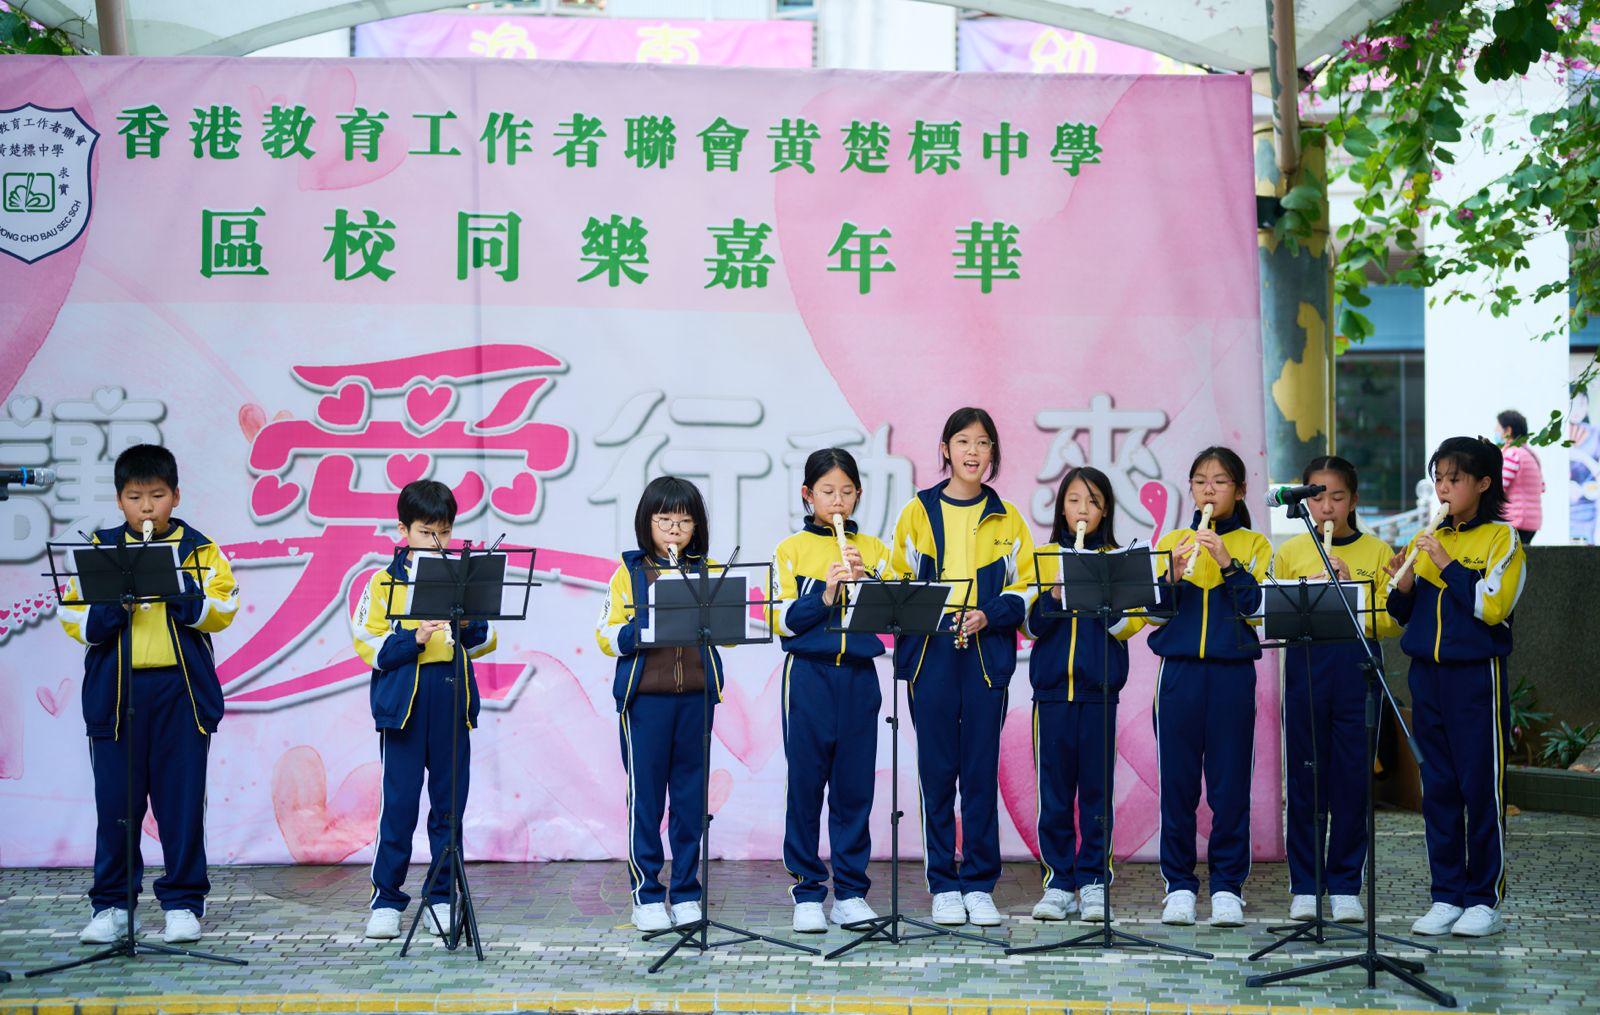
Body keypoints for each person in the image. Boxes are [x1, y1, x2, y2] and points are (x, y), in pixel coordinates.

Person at [59, 444, 240, 945]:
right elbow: (74, 618)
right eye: (135, 497)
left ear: (175, 496)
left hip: (180, 693)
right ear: (119, 500)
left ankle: (183, 903)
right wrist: (112, 608)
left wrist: (181, 594)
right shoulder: (100, 549)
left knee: (181, 804)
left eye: (157, 496)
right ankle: (114, 906)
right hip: (116, 694)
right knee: (116, 806)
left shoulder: (200, 549)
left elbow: (223, 609)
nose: (146, 507)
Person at [889, 407, 1036, 928]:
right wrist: (933, 614)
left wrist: (989, 614)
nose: (973, 452)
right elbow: (896, 583)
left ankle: (978, 883)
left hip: (986, 659)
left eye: (983, 443)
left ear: (993, 453)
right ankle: (943, 885)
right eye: (963, 441)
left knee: (978, 773)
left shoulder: (1007, 517)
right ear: (945, 450)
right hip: (931, 657)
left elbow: (1028, 587)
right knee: (936, 773)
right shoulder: (917, 512)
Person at [1386, 437, 1526, 938]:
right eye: (1439, 479)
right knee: (1438, 790)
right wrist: (1401, 584)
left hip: (1475, 678)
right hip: (1426, 676)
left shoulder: (1502, 538)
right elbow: (1401, 614)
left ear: (1483, 483)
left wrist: (1446, 563)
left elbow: (1492, 606)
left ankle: (1484, 900)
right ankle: (1446, 895)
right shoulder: (1429, 537)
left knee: (1480, 788)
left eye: (1455, 479)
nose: (1443, 489)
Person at [353, 479, 496, 940]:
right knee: (398, 806)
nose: (436, 542)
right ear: (403, 530)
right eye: (425, 532)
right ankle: (386, 901)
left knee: (449, 808)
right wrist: (412, 638)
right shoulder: (382, 582)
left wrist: (470, 622)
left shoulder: (462, 576)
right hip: (404, 707)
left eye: (444, 532)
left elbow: (486, 640)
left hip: (451, 698)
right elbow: (367, 645)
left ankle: (441, 898)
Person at [770, 448, 896, 933]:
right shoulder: (790, 549)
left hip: (860, 677)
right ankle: (807, 892)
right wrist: (825, 593)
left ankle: (850, 893)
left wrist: (867, 582)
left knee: (854, 789)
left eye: (846, 492)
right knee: (805, 786)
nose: (837, 501)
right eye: (827, 492)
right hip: (808, 675)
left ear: (859, 494)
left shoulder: (875, 550)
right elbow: (781, 620)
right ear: (808, 495)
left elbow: (897, 613)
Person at [1269, 456, 1399, 925]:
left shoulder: (1378, 551)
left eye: (1338, 497)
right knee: (1305, 780)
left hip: (1357, 671)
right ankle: (1305, 885)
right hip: (1306, 669)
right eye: (1317, 497)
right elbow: (1275, 616)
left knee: (1351, 781)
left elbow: (1390, 620)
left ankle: (1345, 885)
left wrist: (1350, 590)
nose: (1327, 508)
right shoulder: (1290, 553)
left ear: (1354, 501)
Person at [1146, 446, 1272, 929]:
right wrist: (1172, 575)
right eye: (1200, 481)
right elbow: (1152, 615)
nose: (1208, 490)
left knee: (1229, 786)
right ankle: (1179, 886)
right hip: (1178, 675)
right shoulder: (1173, 540)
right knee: (1177, 787)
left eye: (1220, 482)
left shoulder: (1256, 545)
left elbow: (1257, 611)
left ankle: (1226, 888)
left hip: (1231, 676)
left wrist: (1226, 562)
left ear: (1239, 491)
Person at [596, 476, 720, 933]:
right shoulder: (628, 573)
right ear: (646, 523)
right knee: (646, 801)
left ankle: (686, 893)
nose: (674, 530)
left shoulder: (708, 572)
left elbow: (727, 631)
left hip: (697, 700)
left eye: (684, 522)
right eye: (664, 520)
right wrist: (643, 626)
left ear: (696, 526)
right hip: (645, 702)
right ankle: (647, 895)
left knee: (690, 802)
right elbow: (605, 636)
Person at [1025, 466, 1144, 924]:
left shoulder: (1118, 560)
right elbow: (1028, 627)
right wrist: (1052, 597)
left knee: (1097, 793)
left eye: (1092, 502)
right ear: (1061, 508)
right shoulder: (1043, 557)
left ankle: (1094, 881)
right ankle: (1058, 883)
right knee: (1054, 795)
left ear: (1105, 510)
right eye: (1074, 500)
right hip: (1052, 694)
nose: (1082, 510)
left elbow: (1129, 626)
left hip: (1099, 694)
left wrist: (1101, 596)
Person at [1496, 410, 1544, 544]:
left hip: (1515, 520)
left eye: (1498, 428)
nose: (1495, 431)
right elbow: (1542, 487)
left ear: (1508, 430)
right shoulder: (1531, 455)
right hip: (1532, 523)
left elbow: (1499, 488)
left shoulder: (1512, 454)